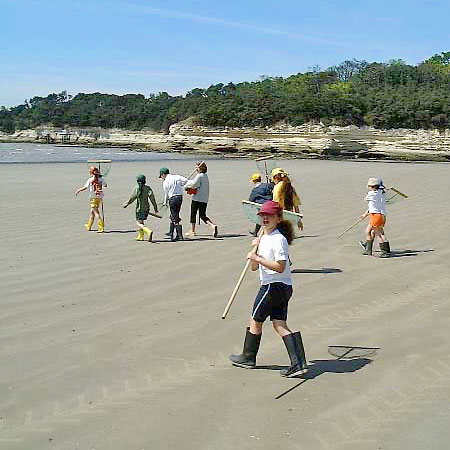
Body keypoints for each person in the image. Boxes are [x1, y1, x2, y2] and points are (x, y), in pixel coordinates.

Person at [229, 200, 308, 378]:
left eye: (269, 215)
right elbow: (255, 268)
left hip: (274, 286)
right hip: (281, 287)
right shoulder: (264, 237)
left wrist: (257, 256)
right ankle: (299, 363)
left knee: (255, 320)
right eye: (263, 215)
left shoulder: (278, 239)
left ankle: (248, 357)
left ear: (278, 218)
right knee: (279, 324)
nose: (265, 218)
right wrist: (254, 256)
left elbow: (280, 266)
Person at [184, 162, 218, 238]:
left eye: (197, 167)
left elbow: (194, 185)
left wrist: (185, 185)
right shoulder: (205, 176)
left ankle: (192, 231)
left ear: (200, 168)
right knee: (202, 215)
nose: (196, 169)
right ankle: (212, 226)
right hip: (204, 199)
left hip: (197, 198)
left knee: (193, 214)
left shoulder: (199, 176)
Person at [359, 178, 390, 258]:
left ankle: (385, 252)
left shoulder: (372, 194)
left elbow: (366, 200)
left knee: (379, 234)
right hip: (382, 215)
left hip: (376, 216)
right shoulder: (382, 193)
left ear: (372, 186)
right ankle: (368, 248)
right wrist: (365, 214)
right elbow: (372, 206)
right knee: (369, 231)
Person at [123, 174, 158, 242]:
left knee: (138, 223)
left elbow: (132, 198)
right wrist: (155, 208)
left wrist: (126, 204)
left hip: (139, 209)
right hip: (146, 208)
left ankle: (148, 231)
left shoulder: (136, 188)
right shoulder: (148, 188)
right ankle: (141, 236)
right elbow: (152, 199)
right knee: (141, 221)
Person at [75, 166, 107, 233]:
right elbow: (105, 185)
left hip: (93, 198)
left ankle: (101, 227)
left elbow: (85, 187)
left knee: (96, 213)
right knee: (92, 212)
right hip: (99, 197)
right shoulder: (101, 179)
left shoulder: (90, 180)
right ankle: (88, 226)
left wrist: (79, 190)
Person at [159, 167, 188, 241]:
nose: (161, 178)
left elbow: (166, 194)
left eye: (161, 176)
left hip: (172, 199)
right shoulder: (177, 177)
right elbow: (186, 181)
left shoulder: (165, 182)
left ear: (163, 175)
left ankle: (179, 235)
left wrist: (165, 203)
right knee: (174, 215)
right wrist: (181, 184)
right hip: (180, 197)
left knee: (174, 217)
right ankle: (171, 232)